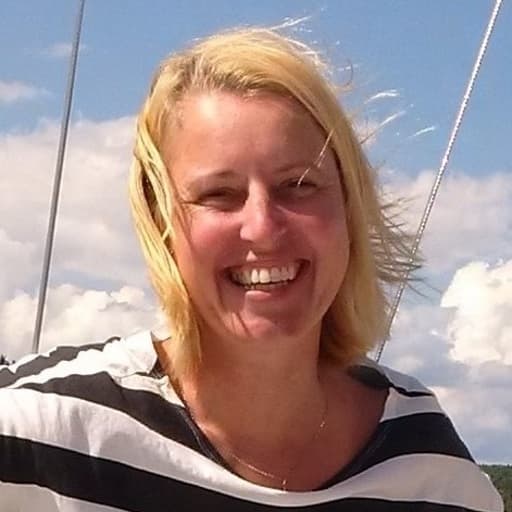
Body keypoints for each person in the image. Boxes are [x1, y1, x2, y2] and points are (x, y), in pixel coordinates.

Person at [0, 26, 503, 512]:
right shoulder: (37, 442)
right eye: (219, 194)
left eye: (299, 186)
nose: (263, 228)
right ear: (160, 221)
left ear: (349, 208)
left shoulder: (433, 475)